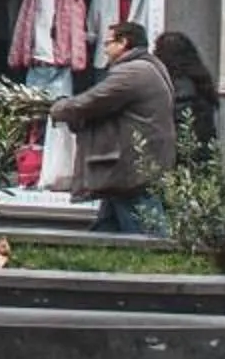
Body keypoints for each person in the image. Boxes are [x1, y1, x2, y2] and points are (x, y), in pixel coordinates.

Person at [51, 20, 177, 237]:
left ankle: (162, 264)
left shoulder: (132, 72)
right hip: (135, 163)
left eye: (108, 43)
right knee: (108, 227)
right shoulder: (150, 66)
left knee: (147, 233)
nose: (105, 49)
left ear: (123, 43)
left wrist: (59, 107)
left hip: (131, 166)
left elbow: (92, 101)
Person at [154, 30, 223, 156]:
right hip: (203, 149)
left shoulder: (179, 84)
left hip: (185, 152)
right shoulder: (199, 77)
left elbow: (179, 119)